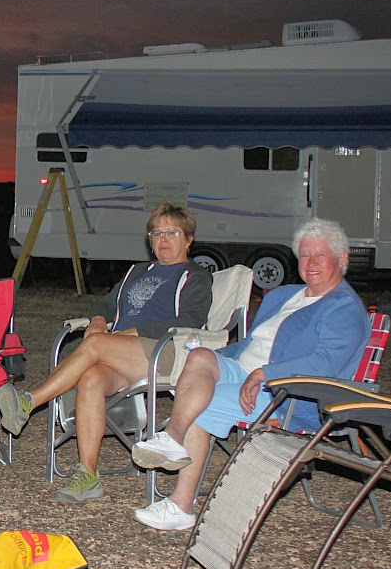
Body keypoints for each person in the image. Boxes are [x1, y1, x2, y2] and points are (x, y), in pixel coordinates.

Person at [130, 218, 369, 531]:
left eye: (320, 256)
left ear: (341, 260)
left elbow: (324, 364)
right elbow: (249, 344)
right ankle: (173, 438)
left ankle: (181, 506)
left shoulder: (343, 308)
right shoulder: (283, 296)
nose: (310, 264)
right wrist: (212, 355)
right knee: (200, 356)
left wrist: (263, 374)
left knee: (203, 401)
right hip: (247, 374)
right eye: (305, 256)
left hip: (290, 394)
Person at [0, 202, 212, 503]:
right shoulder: (137, 271)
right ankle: (88, 474)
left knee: (96, 344)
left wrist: (129, 333)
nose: (163, 240)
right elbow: (107, 304)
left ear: (188, 239)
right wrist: (98, 319)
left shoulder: (195, 276)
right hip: (122, 354)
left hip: (165, 351)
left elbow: (190, 320)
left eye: (172, 233)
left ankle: (29, 401)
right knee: (92, 378)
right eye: (157, 233)